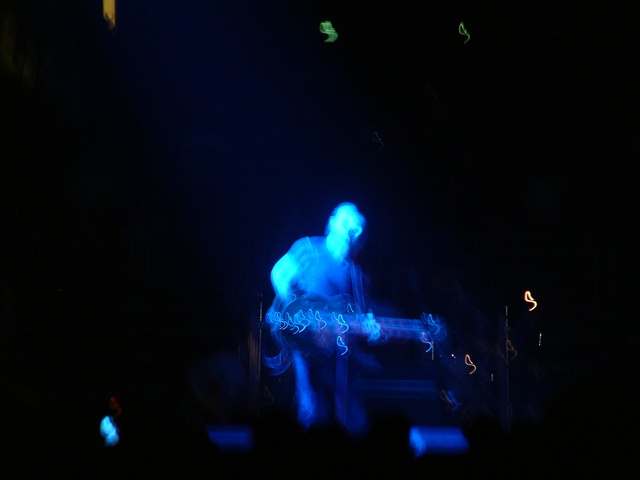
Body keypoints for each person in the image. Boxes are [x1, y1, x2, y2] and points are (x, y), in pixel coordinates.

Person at [263, 202, 382, 436]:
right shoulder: (309, 249)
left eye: (357, 224)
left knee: (350, 418)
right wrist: (295, 311)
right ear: (332, 222)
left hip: (339, 357)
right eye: (346, 219)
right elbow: (279, 273)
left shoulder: (357, 276)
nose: (351, 226)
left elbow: (357, 318)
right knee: (311, 412)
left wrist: (370, 331)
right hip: (305, 352)